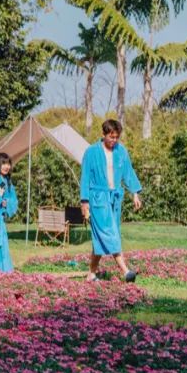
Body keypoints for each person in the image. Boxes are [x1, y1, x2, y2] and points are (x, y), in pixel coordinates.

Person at [80, 119, 143, 282]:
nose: (114, 140)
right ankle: (126, 271)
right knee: (110, 233)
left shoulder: (121, 151)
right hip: (98, 198)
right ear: (104, 134)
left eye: (117, 137)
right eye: (111, 137)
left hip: (114, 199)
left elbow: (128, 172)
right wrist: (84, 202)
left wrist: (135, 192)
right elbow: (85, 177)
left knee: (101, 236)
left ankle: (91, 273)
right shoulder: (91, 152)